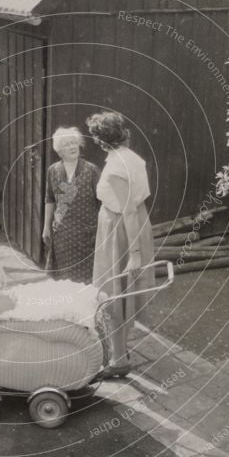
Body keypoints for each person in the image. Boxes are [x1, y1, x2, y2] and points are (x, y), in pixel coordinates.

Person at [87, 111, 155, 376]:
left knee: (112, 290)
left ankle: (118, 361)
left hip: (121, 230)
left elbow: (126, 210)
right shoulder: (131, 157)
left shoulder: (116, 167)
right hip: (136, 222)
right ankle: (120, 350)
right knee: (121, 290)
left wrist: (135, 255)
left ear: (100, 140)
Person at [43, 127, 101, 284]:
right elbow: (49, 199)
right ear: (59, 150)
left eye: (74, 142)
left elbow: (102, 202)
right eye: (67, 144)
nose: (72, 147)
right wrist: (46, 227)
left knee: (86, 280)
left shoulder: (91, 170)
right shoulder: (53, 170)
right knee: (64, 279)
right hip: (62, 235)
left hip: (87, 235)